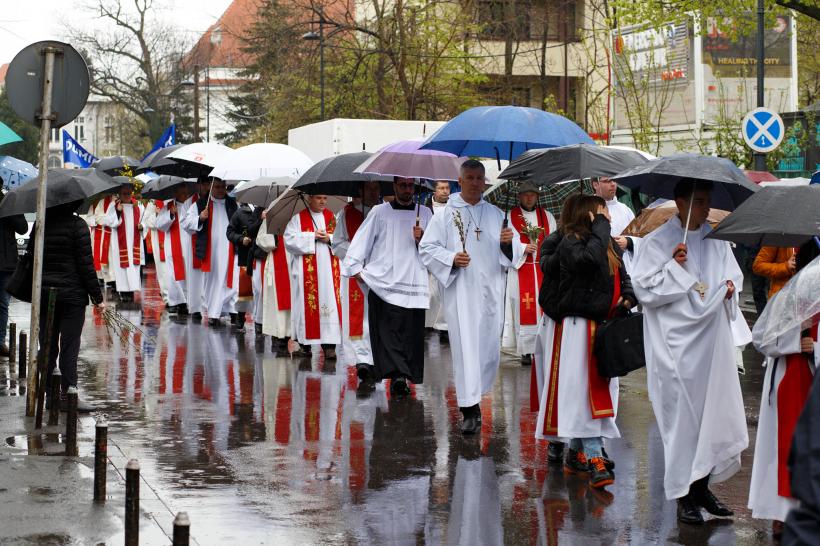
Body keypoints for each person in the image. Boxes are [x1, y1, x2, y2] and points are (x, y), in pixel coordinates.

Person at [631, 179, 748, 524]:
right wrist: (673, 267)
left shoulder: (716, 239)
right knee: (682, 422)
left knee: (712, 417)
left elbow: (733, 279)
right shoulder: (658, 242)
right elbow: (645, 292)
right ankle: (683, 496)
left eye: (707, 202)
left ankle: (702, 488)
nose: (705, 208)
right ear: (680, 203)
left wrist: (728, 289)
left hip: (711, 344)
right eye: (699, 201)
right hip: (675, 349)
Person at [419, 159, 524, 434]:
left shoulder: (496, 214)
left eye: (480, 178)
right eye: (471, 178)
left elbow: (509, 257)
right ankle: (468, 408)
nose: (476, 183)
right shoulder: (445, 214)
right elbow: (427, 249)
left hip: (490, 290)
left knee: (488, 349)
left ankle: (478, 396)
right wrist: (452, 258)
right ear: (460, 181)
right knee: (466, 346)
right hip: (462, 292)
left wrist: (506, 244)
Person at [535, 195, 633, 489]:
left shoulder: (606, 242)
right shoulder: (570, 242)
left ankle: (577, 453)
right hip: (578, 326)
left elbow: (623, 275)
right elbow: (586, 261)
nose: (608, 216)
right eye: (602, 211)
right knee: (582, 392)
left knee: (601, 391)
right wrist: (601, 227)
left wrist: (628, 297)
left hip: (604, 325)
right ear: (589, 214)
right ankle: (594, 457)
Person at [748, 240, 820, 538]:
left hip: (812, 377)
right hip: (788, 377)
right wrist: (794, 340)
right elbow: (762, 338)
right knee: (785, 446)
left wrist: (814, 347)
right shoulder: (786, 297)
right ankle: (781, 513)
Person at [344, 178, 432, 396]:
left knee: (410, 333)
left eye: (410, 186)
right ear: (394, 187)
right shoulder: (379, 212)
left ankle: (405, 374)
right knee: (389, 333)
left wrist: (423, 239)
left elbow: (436, 248)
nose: (407, 190)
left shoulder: (427, 214)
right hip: (384, 281)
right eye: (402, 185)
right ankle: (397, 377)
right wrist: (355, 266)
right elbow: (362, 240)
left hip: (413, 280)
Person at [37, 201, 104, 412]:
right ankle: (69, 394)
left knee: (47, 345)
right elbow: (86, 265)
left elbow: (32, 259)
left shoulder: (42, 224)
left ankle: (49, 394)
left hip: (46, 294)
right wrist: (97, 296)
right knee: (69, 345)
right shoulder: (78, 226)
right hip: (73, 296)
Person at [532, 194, 583, 466]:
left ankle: (580, 441)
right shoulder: (554, 239)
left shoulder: (596, 240)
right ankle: (555, 439)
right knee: (556, 378)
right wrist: (570, 242)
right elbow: (548, 265)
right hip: (558, 319)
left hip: (585, 318)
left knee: (580, 383)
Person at [332, 182, 381, 383]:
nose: (373, 192)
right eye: (369, 188)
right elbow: (337, 244)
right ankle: (362, 361)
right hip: (356, 273)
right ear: (359, 190)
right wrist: (356, 253)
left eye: (376, 188)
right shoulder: (347, 214)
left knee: (377, 316)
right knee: (359, 318)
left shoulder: (384, 213)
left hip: (380, 274)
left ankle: (377, 358)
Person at [283, 195, 342, 359]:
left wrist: (328, 238)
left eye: (325, 198)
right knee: (305, 304)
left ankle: (329, 346)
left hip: (329, 273)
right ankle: (305, 345)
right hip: (306, 273)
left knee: (329, 302)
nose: (323, 201)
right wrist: (312, 236)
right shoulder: (298, 219)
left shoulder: (332, 217)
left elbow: (342, 239)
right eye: (318, 198)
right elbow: (288, 240)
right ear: (309, 199)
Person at [505, 181, 556, 366]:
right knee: (523, 305)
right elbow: (505, 241)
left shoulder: (546, 216)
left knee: (544, 305)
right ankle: (526, 350)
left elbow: (554, 238)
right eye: (525, 194)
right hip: (522, 268)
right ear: (519, 196)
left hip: (542, 267)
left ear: (537, 196)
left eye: (532, 194)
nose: (529, 197)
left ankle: (544, 344)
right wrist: (523, 247)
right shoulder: (511, 216)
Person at [183, 177, 239, 327]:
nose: (221, 190)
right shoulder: (201, 204)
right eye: (217, 187)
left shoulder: (233, 204)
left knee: (231, 279)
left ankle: (233, 311)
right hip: (211, 250)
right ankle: (214, 313)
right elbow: (186, 224)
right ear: (211, 187)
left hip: (230, 247)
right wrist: (200, 218)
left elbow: (240, 221)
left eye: (223, 187)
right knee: (213, 280)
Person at [255, 211, 293, 353]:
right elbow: (260, 239)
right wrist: (274, 239)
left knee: (295, 299)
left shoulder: (299, 216)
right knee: (276, 300)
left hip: (295, 262)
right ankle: (278, 334)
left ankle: (292, 333)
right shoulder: (271, 217)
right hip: (277, 261)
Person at [101, 182, 144, 302]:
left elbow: (145, 220)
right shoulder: (113, 205)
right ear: (119, 194)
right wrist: (118, 212)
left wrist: (143, 225)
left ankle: (131, 292)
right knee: (123, 269)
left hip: (134, 243)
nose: (127, 195)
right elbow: (110, 223)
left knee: (133, 268)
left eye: (129, 193)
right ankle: (124, 292)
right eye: (124, 193)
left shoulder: (138, 206)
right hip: (120, 244)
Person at [156, 183, 195, 315]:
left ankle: (188, 301)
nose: (185, 196)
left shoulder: (192, 205)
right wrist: (170, 215)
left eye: (186, 193)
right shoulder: (168, 206)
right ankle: (176, 302)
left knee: (188, 274)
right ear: (176, 193)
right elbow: (159, 225)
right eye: (182, 193)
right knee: (173, 274)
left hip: (189, 244)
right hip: (173, 245)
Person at [226, 202, 264, 332]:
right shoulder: (240, 212)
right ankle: (240, 316)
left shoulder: (266, 210)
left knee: (260, 290)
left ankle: (260, 321)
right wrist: (241, 238)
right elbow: (229, 232)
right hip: (245, 255)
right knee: (244, 290)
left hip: (261, 254)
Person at [0, 185, 27, 356]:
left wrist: (8, 210)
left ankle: (0, 341)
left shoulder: (10, 203)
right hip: (6, 262)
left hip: (5, 263)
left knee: (2, 303)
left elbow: (22, 228)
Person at [425, 180, 451, 340]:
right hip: (431, 254)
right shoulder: (426, 209)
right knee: (431, 293)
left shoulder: (454, 208)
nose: (445, 191)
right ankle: (427, 325)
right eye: (441, 188)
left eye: (447, 188)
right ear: (434, 191)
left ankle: (444, 328)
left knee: (446, 293)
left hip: (447, 254)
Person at [141, 199, 170, 305]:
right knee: (163, 269)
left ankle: (180, 298)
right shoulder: (153, 202)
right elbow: (147, 221)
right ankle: (167, 297)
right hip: (159, 240)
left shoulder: (176, 200)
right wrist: (157, 215)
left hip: (173, 238)